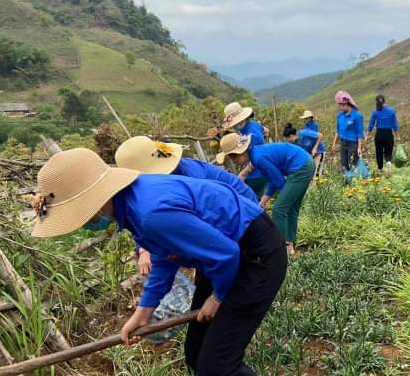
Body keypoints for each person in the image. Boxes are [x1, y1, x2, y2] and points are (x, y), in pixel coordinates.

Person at [30, 148, 317, 376]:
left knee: (217, 364)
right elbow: (165, 256)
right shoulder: (131, 205)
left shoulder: (150, 211)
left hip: (253, 259)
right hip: (227, 255)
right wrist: (142, 314)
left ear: (91, 201)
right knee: (196, 356)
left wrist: (219, 297)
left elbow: (225, 256)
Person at [115, 135, 256, 274]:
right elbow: (143, 220)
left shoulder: (189, 174)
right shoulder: (151, 198)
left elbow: (215, 215)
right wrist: (143, 249)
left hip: (240, 217)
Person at [218, 133, 315, 256]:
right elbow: (273, 177)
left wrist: (272, 197)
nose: (234, 162)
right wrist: (264, 199)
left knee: (279, 209)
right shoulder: (256, 154)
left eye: (232, 158)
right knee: (290, 208)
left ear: (239, 154)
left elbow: (279, 181)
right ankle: (290, 246)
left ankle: (280, 250)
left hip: (301, 168)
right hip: (304, 163)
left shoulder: (259, 158)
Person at [222, 102, 269, 199]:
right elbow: (266, 130)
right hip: (259, 171)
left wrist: (243, 174)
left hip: (256, 174)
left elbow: (257, 158)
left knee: (250, 198)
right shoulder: (253, 124)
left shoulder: (251, 135)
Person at [332, 91, 364, 175]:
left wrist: (359, 148)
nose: (340, 108)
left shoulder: (357, 115)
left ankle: (354, 182)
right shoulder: (340, 115)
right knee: (344, 164)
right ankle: (347, 181)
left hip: (353, 144)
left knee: (353, 164)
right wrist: (334, 143)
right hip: (343, 142)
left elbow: (360, 133)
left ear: (346, 104)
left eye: (341, 105)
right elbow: (338, 130)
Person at [367, 95, 399, 175]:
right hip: (388, 133)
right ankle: (388, 162)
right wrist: (397, 136)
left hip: (379, 133)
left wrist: (367, 135)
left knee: (379, 152)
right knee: (388, 150)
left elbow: (371, 125)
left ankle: (380, 168)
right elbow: (395, 125)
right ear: (385, 101)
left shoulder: (375, 112)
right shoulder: (391, 111)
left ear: (376, 102)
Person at [300, 110, 326, 176]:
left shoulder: (314, 125)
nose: (305, 120)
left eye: (307, 118)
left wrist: (315, 148)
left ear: (310, 118)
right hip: (312, 153)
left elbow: (318, 136)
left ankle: (318, 186)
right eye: (305, 118)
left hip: (319, 151)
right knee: (312, 171)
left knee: (317, 173)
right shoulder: (306, 126)